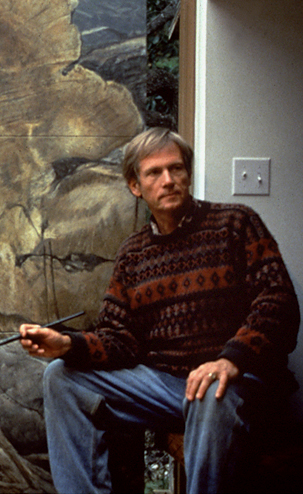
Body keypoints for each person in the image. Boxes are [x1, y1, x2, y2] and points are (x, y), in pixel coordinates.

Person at [19, 128, 299, 494]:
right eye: (154, 172)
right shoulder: (133, 254)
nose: (168, 180)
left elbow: (278, 301)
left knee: (209, 391)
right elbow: (119, 340)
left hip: (239, 382)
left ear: (188, 174)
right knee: (61, 377)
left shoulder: (236, 223)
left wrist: (230, 360)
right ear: (135, 186)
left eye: (176, 169)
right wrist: (67, 345)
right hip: (166, 387)